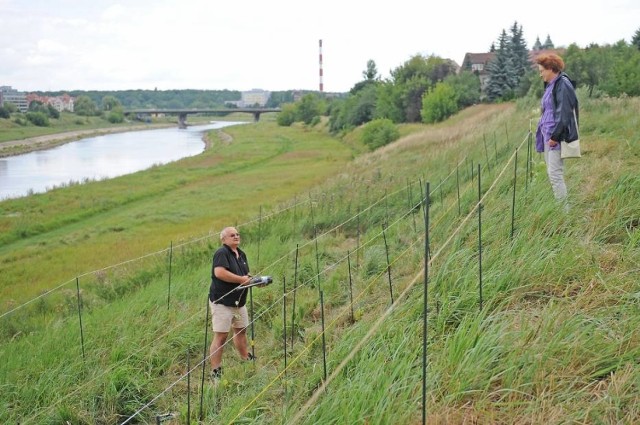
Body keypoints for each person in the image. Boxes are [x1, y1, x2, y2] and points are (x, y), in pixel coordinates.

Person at [208, 226, 255, 381]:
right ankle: (216, 371)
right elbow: (219, 273)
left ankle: (245, 358)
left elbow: (244, 275)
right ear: (224, 239)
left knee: (241, 330)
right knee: (221, 336)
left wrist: (254, 281)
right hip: (222, 301)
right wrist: (242, 280)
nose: (236, 237)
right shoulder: (221, 253)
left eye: (237, 234)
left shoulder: (241, 254)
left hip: (239, 301)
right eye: (232, 235)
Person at [535, 53, 579, 206]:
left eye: (542, 71)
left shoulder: (563, 85)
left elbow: (565, 113)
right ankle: (560, 208)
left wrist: (555, 137)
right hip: (548, 136)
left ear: (551, 69)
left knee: (555, 174)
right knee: (552, 173)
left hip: (555, 138)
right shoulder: (551, 85)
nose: (540, 74)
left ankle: (564, 215)